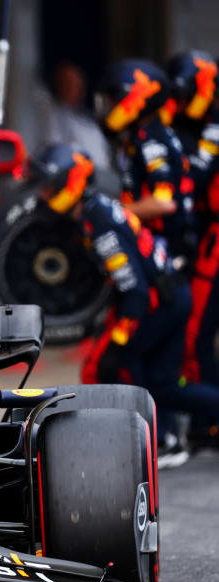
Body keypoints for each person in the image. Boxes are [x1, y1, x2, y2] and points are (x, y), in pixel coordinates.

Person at [30, 144, 218, 467]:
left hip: (162, 303)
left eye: (49, 188)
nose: (44, 196)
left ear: (68, 184)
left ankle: (126, 445)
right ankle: (162, 440)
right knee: (164, 384)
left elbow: (136, 292)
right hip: (173, 295)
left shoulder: (96, 220)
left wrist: (120, 340)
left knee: (107, 365)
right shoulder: (97, 207)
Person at [97, 59, 193, 259]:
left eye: (113, 100)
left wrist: (114, 211)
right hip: (150, 241)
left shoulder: (152, 143)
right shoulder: (139, 137)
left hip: (167, 248)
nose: (110, 108)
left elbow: (164, 203)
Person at [166, 51, 219, 388]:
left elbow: (193, 181)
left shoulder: (213, 129)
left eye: (185, 94)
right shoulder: (186, 129)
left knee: (196, 337)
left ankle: (209, 420)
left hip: (213, 243)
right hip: (203, 238)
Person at [39, 61, 112, 170]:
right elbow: (54, 151)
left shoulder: (90, 119)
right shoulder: (52, 115)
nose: (75, 88)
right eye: (69, 84)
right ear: (59, 86)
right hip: (74, 177)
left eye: (78, 84)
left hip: (101, 177)